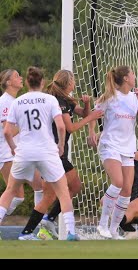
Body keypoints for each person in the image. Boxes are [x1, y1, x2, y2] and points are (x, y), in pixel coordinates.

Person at [14, 69, 103, 240]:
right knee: (52, 194)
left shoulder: (66, 100)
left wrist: (86, 106)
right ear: (68, 83)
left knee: (71, 188)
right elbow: (69, 127)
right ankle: (30, 230)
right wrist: (90, 117)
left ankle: (47, 221)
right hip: (53, 152)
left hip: (56, 152)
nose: (75, 83)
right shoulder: (58, 101)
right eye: (74, 80)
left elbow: (82, 113)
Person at [0, 66, 78, 240]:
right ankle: (71, 233)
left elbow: (6, 132)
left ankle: (27, 233)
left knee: (11, 190)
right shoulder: (50, 100)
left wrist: (13, 146)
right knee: (63, 191)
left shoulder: (17, 102)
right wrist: (60, 146)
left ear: (28, 82)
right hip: (46, 152)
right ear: (42, 82)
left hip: (24, 153)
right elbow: (60, 126)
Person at [87, 65, 138, 239]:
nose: (135, 76)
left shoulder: (135, 98)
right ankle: (102, 225)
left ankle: (114, 230)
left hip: (128, 148)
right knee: (117, 182)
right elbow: (94, 115)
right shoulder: (109, 97)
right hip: (110, 145)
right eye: (133, 73)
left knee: (126, 191)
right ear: (125, 78)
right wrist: (92, 132)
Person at [0, 69, 43, 216]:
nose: (20, 78)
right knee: (23, 192)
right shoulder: (5, 102)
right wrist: (26, 125)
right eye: (16, 76)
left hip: (19, 152)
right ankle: (38, 228)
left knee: (26, 193)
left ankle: (37, 228)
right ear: (8, 82)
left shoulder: (15, 101)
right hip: (7, 153)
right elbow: (9, 131)